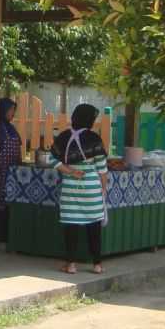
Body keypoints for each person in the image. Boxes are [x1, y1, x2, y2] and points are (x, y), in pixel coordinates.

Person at [47, 103, 109, 274]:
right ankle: (97, 265)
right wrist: (103, 189)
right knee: (94, 228)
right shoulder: (94, 138)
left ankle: (71, 265)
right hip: (92, 189)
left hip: (70, 189)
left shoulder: (64, 137)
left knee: (71, 227)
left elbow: (51, 160)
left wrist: (71, 171)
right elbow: (102, 169)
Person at [0, 97, 22, 242]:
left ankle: (8, 235)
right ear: (3, 110)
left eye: (14, 110)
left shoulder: (12, 129)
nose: (13, 113)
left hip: (13, 174)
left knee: (10, 203)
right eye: (10, 109)